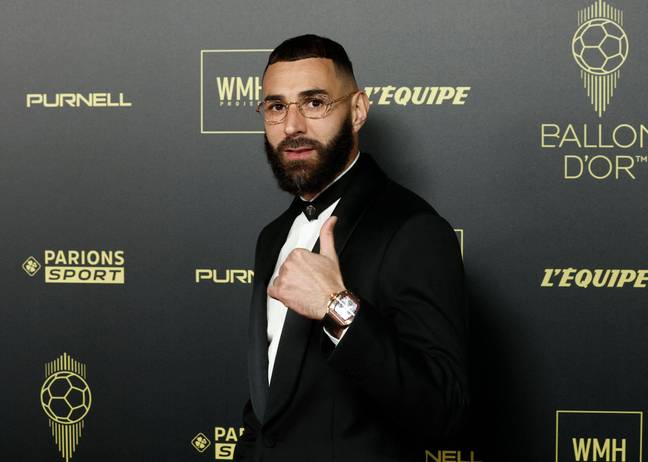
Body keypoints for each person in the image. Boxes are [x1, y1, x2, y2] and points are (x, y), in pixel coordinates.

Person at [234, 34, 468, 462]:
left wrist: (338, 306)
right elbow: (269, 407)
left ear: (357, 110)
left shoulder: (412, 230)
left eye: (315, 103)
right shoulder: (272, 236)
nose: (292, 126)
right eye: (276, 106)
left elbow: (445, 413)